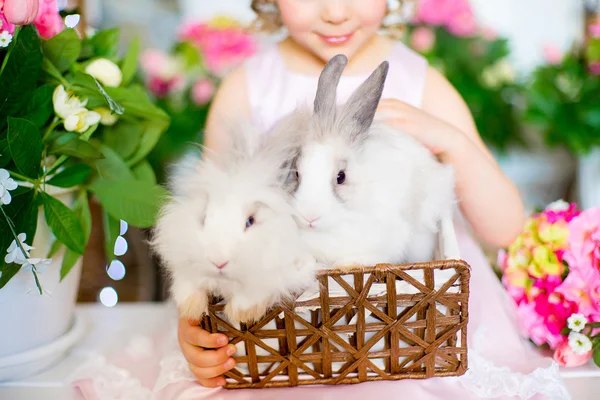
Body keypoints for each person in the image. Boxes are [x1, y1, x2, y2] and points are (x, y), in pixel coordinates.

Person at [70, 1, 571, 399]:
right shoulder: (248, 88)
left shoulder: (421, 85)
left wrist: (453, 143)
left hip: (411, 325)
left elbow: (507, 229)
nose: (335, 11)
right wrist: (194, 321)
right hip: (282, 330)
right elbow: (210, 228)